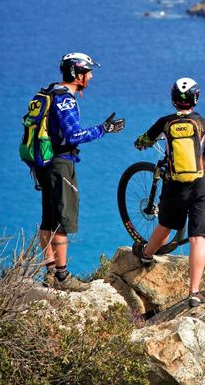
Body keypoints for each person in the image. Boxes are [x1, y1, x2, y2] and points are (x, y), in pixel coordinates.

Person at [131, 77, 205, 308]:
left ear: (173, 99)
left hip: (175, 185)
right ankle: (194, 293)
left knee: (165, 225)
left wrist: (140, 143)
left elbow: (144, 140)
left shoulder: (165, 122)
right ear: (196, 98)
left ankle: (147, 254)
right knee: (197, 238)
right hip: (202, 184)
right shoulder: (204, 123)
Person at [37, 52, 125, 292]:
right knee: (62, 220)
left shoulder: (49, 92)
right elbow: (73, 135)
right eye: (88, 72)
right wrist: (104, 129)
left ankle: (50, 272)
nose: (91, 77)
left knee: (48, 217)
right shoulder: (65, 100)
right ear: (77, 74)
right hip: (60, 164)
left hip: (44, 162)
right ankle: (62, 276)